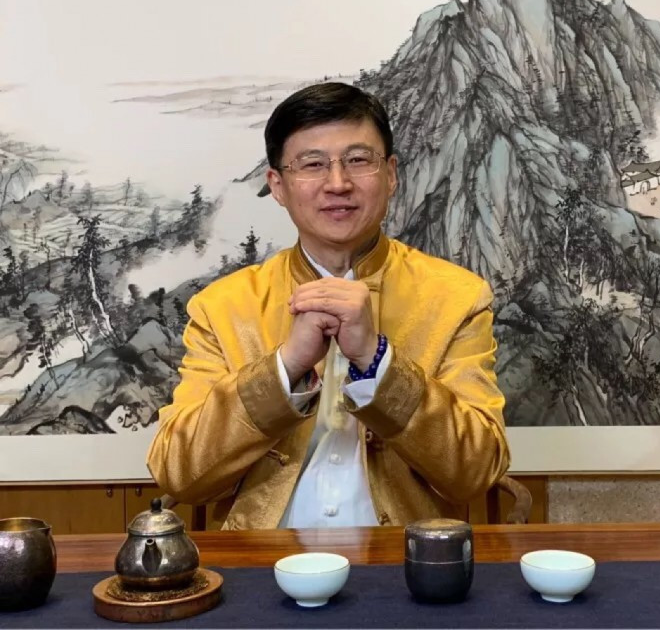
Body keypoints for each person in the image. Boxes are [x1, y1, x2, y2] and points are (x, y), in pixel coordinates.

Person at [147, 82, 509, 529]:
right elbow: (180, 474)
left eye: (358, 160)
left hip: (402, 558)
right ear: (278, 186)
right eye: (313, 164)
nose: (338, 184)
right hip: (262, 559)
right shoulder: (223, 306)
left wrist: (376, 361)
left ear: (391, 175)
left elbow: (476, 472)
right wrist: (285, 367)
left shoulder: (456, 297)